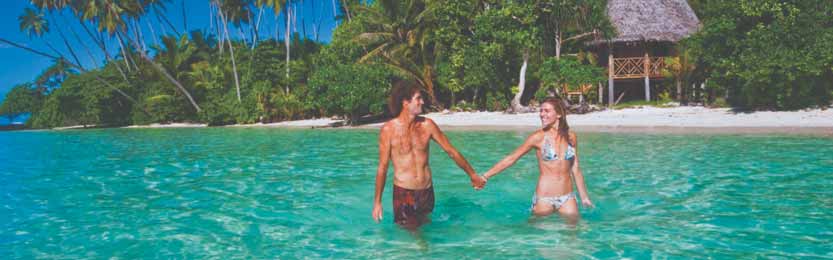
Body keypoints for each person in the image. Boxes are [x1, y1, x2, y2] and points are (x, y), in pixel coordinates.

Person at [372, 80, 486, 229]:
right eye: (418, 98)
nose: (423, 102)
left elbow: (451, 151)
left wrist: (472, 175)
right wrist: (377, 202)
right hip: (404, 192)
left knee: (425, 229)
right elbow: (383, 167)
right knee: (413, 234)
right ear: (405, 102)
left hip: (426, 191)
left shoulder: (428, 125)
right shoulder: (388, 130)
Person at [480, 97, 594, 224]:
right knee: (535, 233)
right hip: (544, 198)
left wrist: (584, 197)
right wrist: (485, 176)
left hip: (567, 197)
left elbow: (575, 168)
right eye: (541, 111)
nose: (542, 114)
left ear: (559, 114)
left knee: (574, 232)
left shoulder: (571, 137)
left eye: (547, 111)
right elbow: (512, 158)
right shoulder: (537, 137)